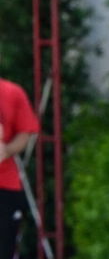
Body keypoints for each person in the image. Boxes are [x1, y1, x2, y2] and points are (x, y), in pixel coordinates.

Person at [0, 76, 37, 259]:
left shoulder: (12, 92)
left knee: (4, 248)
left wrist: (6, 150)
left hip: (5, 185)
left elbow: (25, 131)